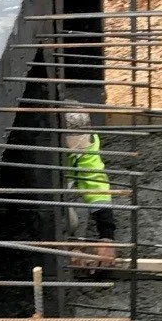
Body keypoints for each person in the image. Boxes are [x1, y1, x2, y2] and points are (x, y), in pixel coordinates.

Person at [63, 108, 117, 274]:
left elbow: (95, 185)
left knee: (71, 220)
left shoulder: (86, 142)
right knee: (69, 222)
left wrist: (106, 237)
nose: (80, 149)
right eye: (76, 146)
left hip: (61, 190)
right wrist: (68, 245)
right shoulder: (42, 148)